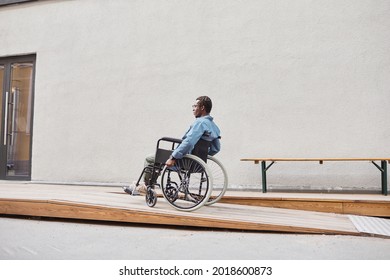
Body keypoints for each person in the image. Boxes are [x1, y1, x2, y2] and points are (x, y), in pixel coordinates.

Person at [124, 96, 221, 195]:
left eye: (195, 106)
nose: (193, 108)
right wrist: (200, 157)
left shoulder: (200, 123)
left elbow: (189, 142)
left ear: (202, 108)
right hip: (195, 163)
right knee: (157, 160)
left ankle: (146, 186)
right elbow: (216, 148)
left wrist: (173, 157)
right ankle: (148, 185)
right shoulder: (214, 126)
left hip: (183, 159)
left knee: (149, 159)